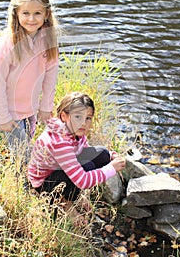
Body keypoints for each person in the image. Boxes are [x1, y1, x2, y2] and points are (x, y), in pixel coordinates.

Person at [27, 92, 126, 225]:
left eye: (88, 118)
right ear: (64, 116)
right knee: (87, 168)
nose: (84, 123)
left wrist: (111, 154)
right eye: (78, 117)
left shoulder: (74, 130)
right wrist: (111, 168)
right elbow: (82, 181)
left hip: (61, 170)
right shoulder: (59, 142)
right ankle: (65, 204)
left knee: (102, 153)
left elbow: (83, 148)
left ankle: (70, 196)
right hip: (45, 184)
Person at [0, 0, 60, 164]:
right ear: (16, 14)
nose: (31, 18)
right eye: (26, 13)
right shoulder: (8, 43)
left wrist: (46, 106)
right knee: (23, 155)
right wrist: (3, 117)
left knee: (25, 147)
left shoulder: (48, 40)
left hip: (31, 108)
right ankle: (21, 187)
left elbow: (51, 76)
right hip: (10, 110)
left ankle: (24, 181)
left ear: (46, 14)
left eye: (37, 13)